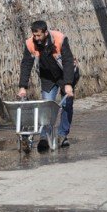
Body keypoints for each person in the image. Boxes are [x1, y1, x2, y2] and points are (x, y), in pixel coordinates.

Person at [18, 20, 76, 151]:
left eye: (39, 35)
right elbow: (26, 64)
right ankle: (44, 138)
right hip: (47, 77)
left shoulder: (59, 39)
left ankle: (62, 135)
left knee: (67, 104)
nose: (36, 38)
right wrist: (23, 86)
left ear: (45, 32)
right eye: (34, 35)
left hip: (64, 75)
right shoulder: (30, 43)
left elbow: (68, 61)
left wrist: (68, 84)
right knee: (46, 106)